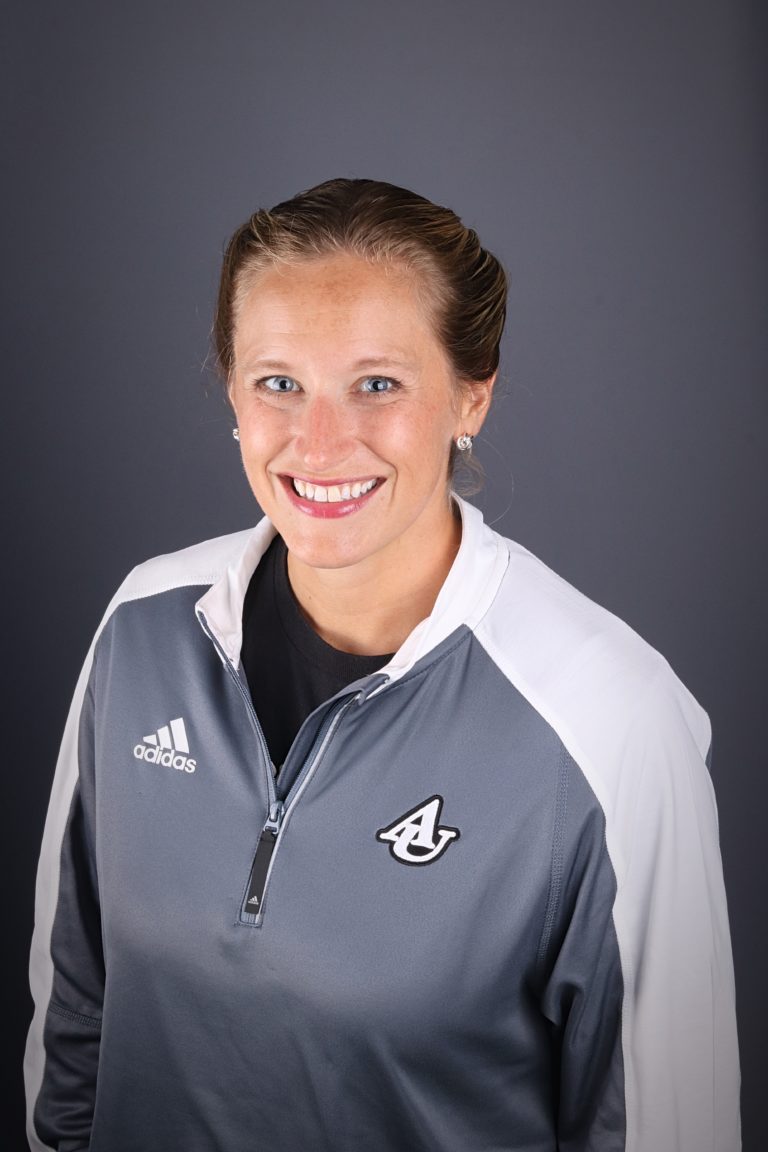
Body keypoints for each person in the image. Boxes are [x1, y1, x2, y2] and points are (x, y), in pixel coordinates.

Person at [25, 178, 740, 1151]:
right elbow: (75, 1024)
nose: (319, 443)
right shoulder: (142, 627)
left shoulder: (611, 720)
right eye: (279, 383)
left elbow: (667, 1127)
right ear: (232, 391)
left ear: (472, 393)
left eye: (377, 385)